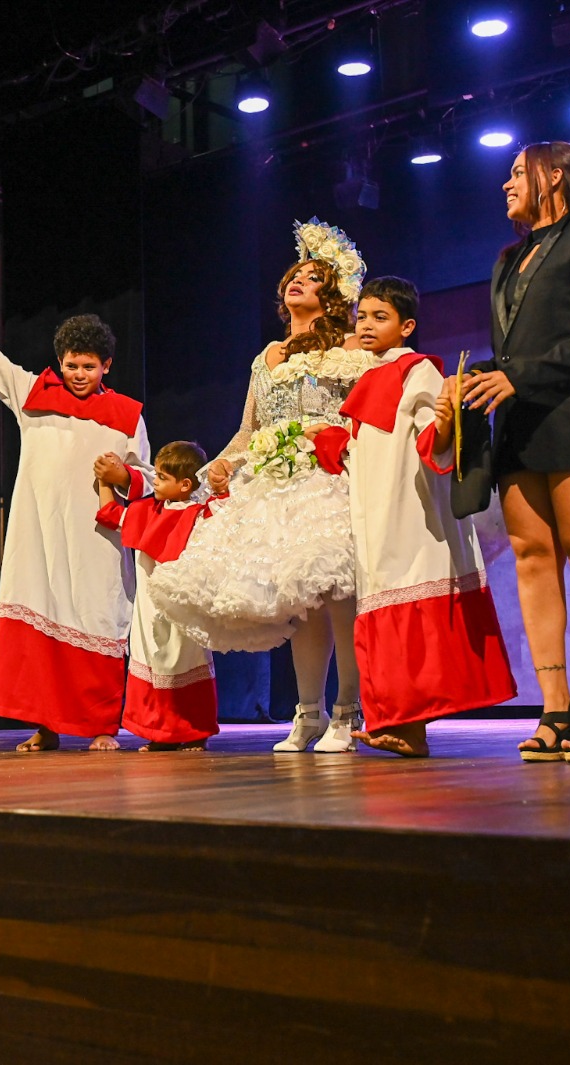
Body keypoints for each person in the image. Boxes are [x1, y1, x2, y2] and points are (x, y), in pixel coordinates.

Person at [148, 218, 380, 753]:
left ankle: (347, 711)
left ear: (333, 293)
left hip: (328, 478)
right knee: (301, 606)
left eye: (313, 277)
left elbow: (366, 413)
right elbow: (248, 430)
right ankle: (308, 712)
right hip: (275, 484)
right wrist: (219, 468)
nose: (298, 280)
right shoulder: (266, 357)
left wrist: (335, 442)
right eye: (294, 274)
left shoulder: (348, 349)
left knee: (338, 596)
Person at [460, 142, 570, 764]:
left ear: (554, 176)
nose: (506, 184)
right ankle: (556, 708)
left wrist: (518, 375)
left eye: (518, 173)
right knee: (532, 558)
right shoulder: (508, 258)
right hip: (518, 423)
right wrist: (477, 378)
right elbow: (513, 351)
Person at [0, 291, 147, 752]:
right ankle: (46, 727)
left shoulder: (127, 415)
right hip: (40, 534)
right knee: (41, 618)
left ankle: (102, 726)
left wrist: (122, 475)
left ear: (106, 366)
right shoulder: (34, 394)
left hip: (94, 538)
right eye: (71, 365)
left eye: (89, 366)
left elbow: (143, 474)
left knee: (98, 618)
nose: (78, 374)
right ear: (59, 362)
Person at [311, 279, 518, 756]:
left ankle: (407, 723)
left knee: (405, 602)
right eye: (362, 317)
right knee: (382, 605)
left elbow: (434, 439)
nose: (366, 325)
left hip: (409, 510)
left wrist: (444, 420)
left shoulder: (416, 369)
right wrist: (331, 440)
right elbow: (366, 445)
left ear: (406, 326)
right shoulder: (372, 376)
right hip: (376, 511)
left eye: (379, 317)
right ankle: (396, 721)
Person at [95, 441, 221, 752]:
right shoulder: (146, 511)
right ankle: (160, 733)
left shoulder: (199, 515)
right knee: (152, 659)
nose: (156, 482)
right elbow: (110, 514)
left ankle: (195, 731)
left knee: (187, 656)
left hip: (183, 605)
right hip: (149, 608)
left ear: (185, 485)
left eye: (163, 478)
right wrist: (104, 481)